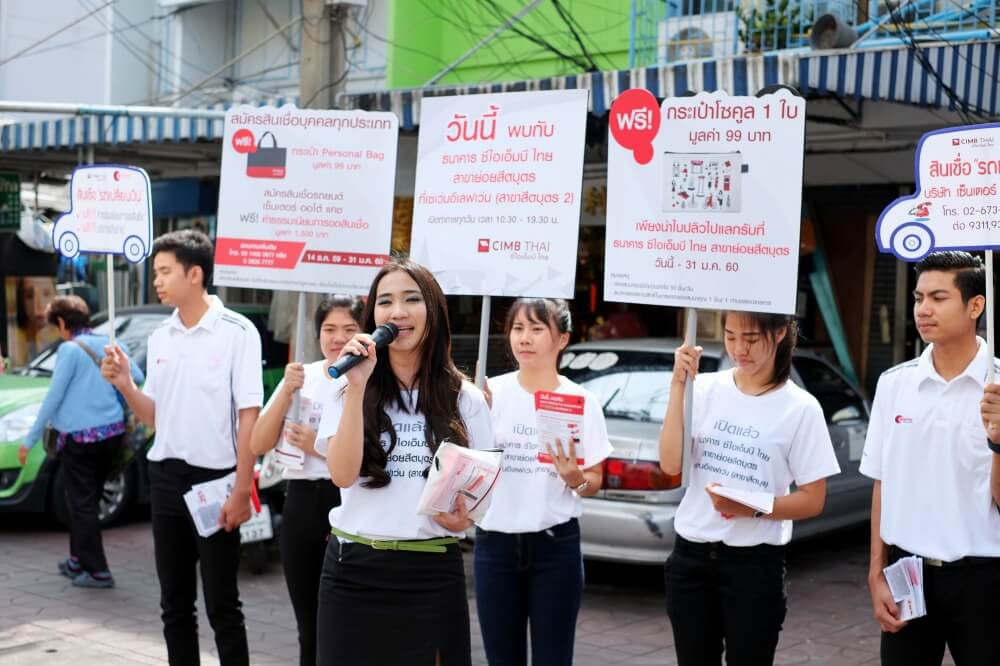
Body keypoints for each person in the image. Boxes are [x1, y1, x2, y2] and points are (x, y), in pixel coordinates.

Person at [314, 257, 493, 666]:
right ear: (372, 314)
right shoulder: (346, 389)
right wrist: (357, 387)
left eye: (411, 299)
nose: (397, 312)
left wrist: (461, 519)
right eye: (385, 302)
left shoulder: (467, 399)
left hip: (431, 574)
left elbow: (476, 504)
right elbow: (342, 475)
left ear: (433, 310)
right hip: (352, 572)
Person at [101, 229, 262, 666]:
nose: (157, 280)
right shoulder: (160, 337)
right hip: (166, 479)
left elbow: (250, 414)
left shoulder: (237, 332)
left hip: (216, 482)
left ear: (195, 274)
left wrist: (241, 489)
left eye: (165, 271)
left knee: (222, 606)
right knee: (174, 606)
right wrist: (126, 385)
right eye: (155, 272)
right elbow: (155, 417)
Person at [659, 311, 840, 665]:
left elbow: (814, 499)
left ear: (779, 335)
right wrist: (678, 385)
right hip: (691, 559)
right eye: (730, 336)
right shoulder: (705, 388)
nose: (739, 349)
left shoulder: (801, 408)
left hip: (754, 566)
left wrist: (754, 507)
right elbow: (669, 464)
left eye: (752, 339)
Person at [864, 251, 1000, 665]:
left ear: (975, 305)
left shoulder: (997, 389)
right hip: (908, 572)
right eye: (919, 297)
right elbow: (882, 481)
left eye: (938, 298)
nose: (923, 309)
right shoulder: (894, 385)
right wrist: (875, 571)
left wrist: (999, 443)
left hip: (984, 578)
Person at [474, 298, 612, 666]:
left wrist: (575, 479)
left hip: (556, 548)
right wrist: (472, 413)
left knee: (554, 657)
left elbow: (594, 480)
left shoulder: (581, 401)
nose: (525, 338)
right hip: (495, 547)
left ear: (562, 338)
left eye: (537, 329)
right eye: (518, 329)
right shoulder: (488, 393)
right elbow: (468, 463)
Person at [249, 294, 363, 666]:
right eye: (329, 328)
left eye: (349, 329)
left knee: (344, 624)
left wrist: (315, 447)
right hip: (299, 503)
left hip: (345, 501)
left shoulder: (369, 382)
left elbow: (368, 462)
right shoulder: (304, 375)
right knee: (308, 625)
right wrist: (285, 390)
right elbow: (258, 441)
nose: (337, 337)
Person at [18, 295, 143, 588]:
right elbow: (136, 376)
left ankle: (98, 571)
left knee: (82, 505)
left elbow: (54, 396)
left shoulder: (69, 350)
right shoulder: (114, 345)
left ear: (62, 323)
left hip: (80, 441)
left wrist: (31, 438)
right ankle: (77, 560)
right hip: (111, 435)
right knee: (87, 500)